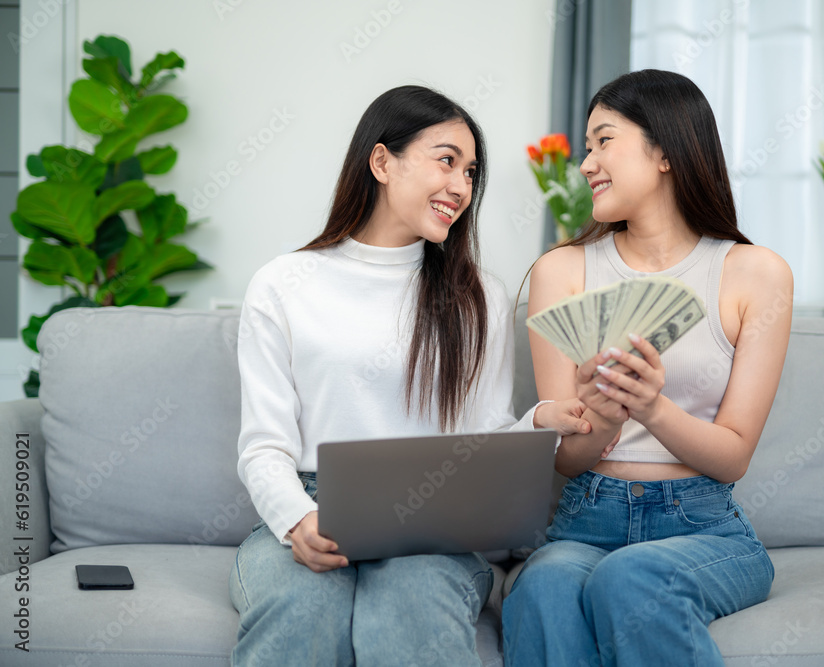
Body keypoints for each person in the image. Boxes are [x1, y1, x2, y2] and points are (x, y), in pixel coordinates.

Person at [228, 85, 589, 666]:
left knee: (412, 608)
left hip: (433, 523)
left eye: (471, 172)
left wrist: (539, 423)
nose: (461, 186)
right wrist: (298, 518)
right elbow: (264, 444)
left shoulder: (481, 298)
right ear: (381, 162)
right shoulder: (283, 283)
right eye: (446, 160)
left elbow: (481, 438)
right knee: (303, 607)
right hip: (311, 501)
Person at [502, 69, 794, 666]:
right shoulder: (561, 272)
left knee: (631, 578)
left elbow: (734, 454)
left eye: (603, 141)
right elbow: (563, 459)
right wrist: (604, 419)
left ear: (664, 150)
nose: (585, 164)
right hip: (586, 516)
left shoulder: (755, 274)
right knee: (542, 586)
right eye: (587, 147)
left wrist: (652, 408)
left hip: (703, 527)